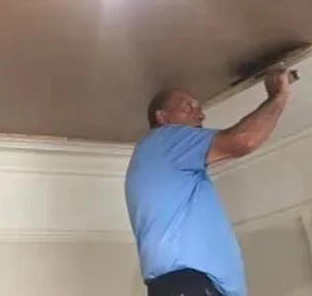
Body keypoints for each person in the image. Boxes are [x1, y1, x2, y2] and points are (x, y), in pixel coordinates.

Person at [125, 67, 294, 296]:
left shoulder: (165, 160)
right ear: (162, 117)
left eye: (199, 108)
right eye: (188, 107)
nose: (201, 114)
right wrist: (278, 96)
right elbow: (244, 141)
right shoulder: (164, 140)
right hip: (187, 284)